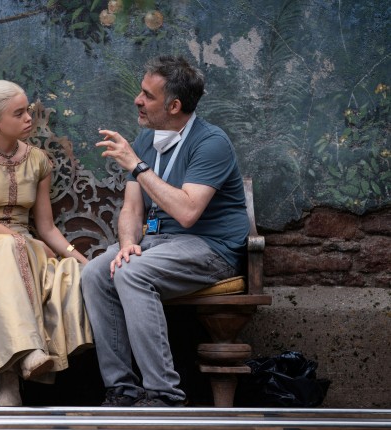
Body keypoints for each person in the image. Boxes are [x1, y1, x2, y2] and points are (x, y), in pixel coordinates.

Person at [81, 55, 249, 407]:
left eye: (148, 95)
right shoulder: (147, 140)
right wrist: (127, 244)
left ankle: (164, 395)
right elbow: (132, 208)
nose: (137, 100)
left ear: (174, 106)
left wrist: (136, 165)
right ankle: (122, 390)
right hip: (157, 243)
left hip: (209, 247)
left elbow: (187, 212)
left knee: (133, 273)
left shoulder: (211, 142)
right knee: (96, 272)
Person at [0, 79, 93, 407]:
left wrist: (82, 260)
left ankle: (11, 381)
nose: (29, 119)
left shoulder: (38, 161)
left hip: (26, 244)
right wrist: (23, 242)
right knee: (11, 248)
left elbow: (46, 227)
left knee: (30, 254)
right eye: (19, 113)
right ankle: (26, 359)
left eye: (29, 111)